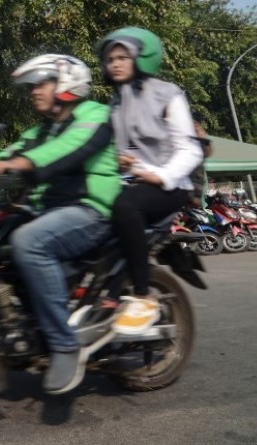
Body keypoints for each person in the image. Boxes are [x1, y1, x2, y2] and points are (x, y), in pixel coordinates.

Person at [0, 54, 121, 394]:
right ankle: (10, 323)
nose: (34, 92)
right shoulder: (41, 131)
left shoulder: (96, 116)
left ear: (67, 83)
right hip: (46, 212)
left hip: (89, 211)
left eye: (41, 84)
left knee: (30, 241)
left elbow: (60, 152)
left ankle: (64, 344)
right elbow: (4, 157)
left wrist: (9, 167)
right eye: (32, 86)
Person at [97, 27, 203, 335]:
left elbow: (191, 149)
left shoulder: (167, 94)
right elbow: (117, 150)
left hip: (171, 185)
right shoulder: (115, 103)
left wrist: (161, 175)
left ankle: (143, 295)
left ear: (142, 57)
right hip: (131, 183)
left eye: (122, 57)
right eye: (110, 59)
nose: (115, 64)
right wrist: (118, 160)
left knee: (125, 206)